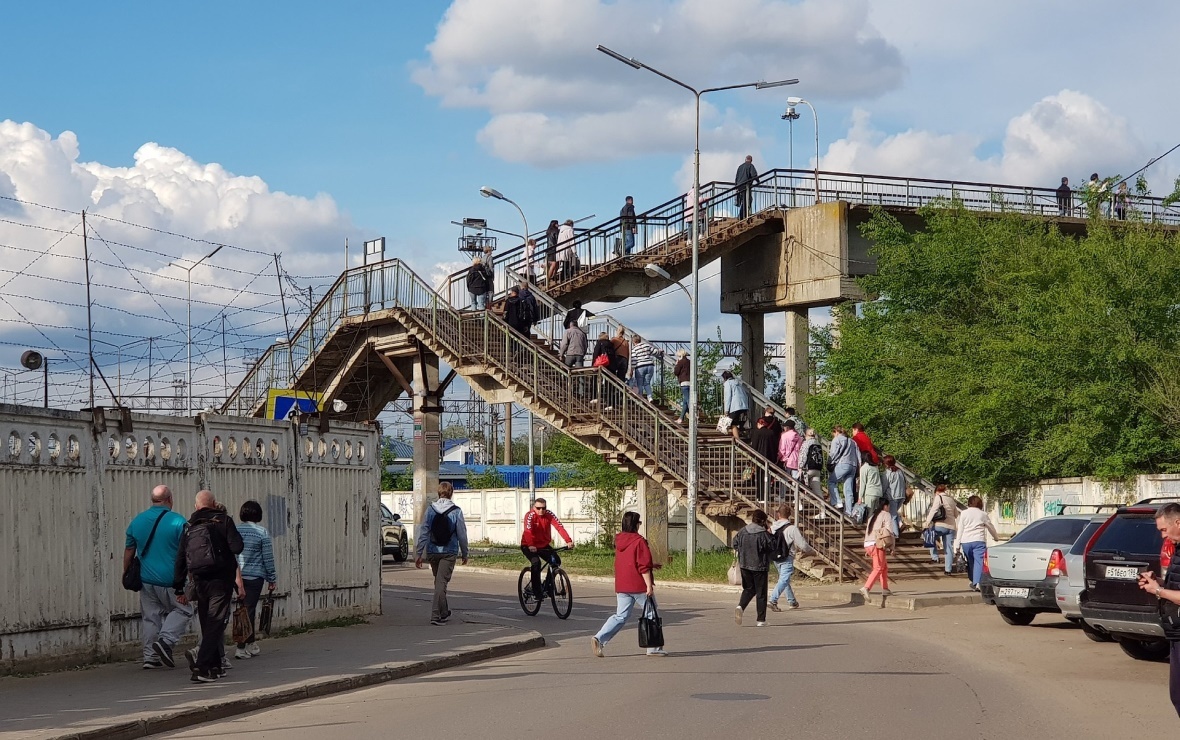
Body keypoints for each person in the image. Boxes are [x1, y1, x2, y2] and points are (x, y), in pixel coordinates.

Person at [173, 490, 244, 683]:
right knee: (216, 623)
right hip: (221, 580)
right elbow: (237, 547)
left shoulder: (189, 526)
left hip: (199, 581)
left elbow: (180, 558)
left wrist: (179, 587)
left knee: (207, 622)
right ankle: (202, 668)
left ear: (196, 506)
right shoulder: (224, 521)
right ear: (213, 504)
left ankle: (215, 667)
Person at [124, 484, 191, 670]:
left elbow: (129, 549)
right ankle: (166, 641)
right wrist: (191, 577)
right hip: (172, 580)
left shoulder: (137, 521)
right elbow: (187, 552)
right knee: (183, 610)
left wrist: (126, 572)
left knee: (150, 617)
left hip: (146, 580)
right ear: (169, 500)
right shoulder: (178, 521)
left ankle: (150, 657)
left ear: (153, 500)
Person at [591, 511, 667, 657]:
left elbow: (630, 560)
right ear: (635, 524)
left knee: (620, 616)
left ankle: (599, 638)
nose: (640, 525)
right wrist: (649, 585)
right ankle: (654, 648)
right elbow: (642, 566)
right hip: (638, 585)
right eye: (639, 523)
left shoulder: (619, 540)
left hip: (622, 585)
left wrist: (652, 565)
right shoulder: (639, 541)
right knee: (651, 613)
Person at [1135, 503, 1180, 717]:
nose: (1163, 536)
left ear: (1178, 523)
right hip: (1175, 632)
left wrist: (1158, 590)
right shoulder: (1178, 550)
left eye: (1164, 530)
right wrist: (1158, 582)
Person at [415, 482, 469, 625]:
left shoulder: (430, 510)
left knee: (439, 582)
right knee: (441, 583)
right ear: (451, 493)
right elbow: (462, 534)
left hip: (433, 551)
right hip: (449, 552)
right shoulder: (456, 511)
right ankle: (435, 615)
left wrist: (419, 553)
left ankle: (444, 611)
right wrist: (465, 553)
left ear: (438, 493)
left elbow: (424, 532)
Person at [234, 500, 277, 659]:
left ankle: (250, 644)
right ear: (258, 514)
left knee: (244, 608)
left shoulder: (235, 530)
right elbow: (268, 557)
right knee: (248, 610)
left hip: (237, 577)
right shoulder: (261, 532)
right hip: (255, 577)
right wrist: (272, 577)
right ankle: (241, 647)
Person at [520, 497, 574, 602]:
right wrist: (531, 545)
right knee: (536, 563)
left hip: (543, 545)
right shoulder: (530, 515)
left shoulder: (549, 514)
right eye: (538, 508)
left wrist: (568, 541)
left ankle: (548, 585)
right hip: (528, 545)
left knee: (556, 561)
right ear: (534, 507)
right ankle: (537, 592)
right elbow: (528, 531)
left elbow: (559, 527)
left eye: (543, 508)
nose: (541, 511)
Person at [768, 504, 814, 612]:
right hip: (787, 557)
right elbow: (802, 545)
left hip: (775, 557)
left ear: (778, 514)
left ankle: (792, 601)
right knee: (784, 579)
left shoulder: (772, 528)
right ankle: (772, 600)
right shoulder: (792, 529)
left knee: (784, 579)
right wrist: (811, 551)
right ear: (789, 515)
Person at [733, 509, 774, 626]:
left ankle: (740, 606)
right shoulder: (763, 534)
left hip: (744, 565)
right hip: (759, 566)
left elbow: (734, 543)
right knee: (761, 593)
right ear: (763, 521)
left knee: (749, 588)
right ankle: (761, 620)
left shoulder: (743, 531)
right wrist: (769, 532)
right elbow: (772, 546)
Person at [957, 495, 998, 591]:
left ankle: (973, 581)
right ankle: (977, 583)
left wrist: (957, 545)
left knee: (971, 562)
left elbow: (960, 529)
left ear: (969, 503)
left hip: (966, 541)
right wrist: (995, 537)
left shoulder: (963, 513)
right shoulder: (982, 514)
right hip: (979, 540)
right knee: (979, 562)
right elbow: (990, 526)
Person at [860, 499, 895, 597]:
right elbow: (889, 531)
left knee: (884, 567)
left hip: (868, 543)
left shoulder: (872, 516)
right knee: (878, 567)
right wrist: (892, 546)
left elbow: (868, 531)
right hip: (878, 543)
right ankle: (866, 588)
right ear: (885, 506)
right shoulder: (886, 514)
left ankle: (885, 588)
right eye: (888, 506)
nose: (889, 508)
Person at [924, 484, 959, 575]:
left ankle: (935, 557)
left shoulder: (938, 497)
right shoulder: (951, 499)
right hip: (951, 527)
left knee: (929, 537)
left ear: (937, 491)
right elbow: (956, 515)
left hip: (940, 525)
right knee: (949, 548)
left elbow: (933, 510)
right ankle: (948, 570)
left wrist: (927, 522)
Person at [827, 425, 859, 512]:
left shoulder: (837, 439)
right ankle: (849, 511)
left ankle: (838, 501)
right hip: (853, 466)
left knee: (831, 481)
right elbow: (858, 455)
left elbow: (833, 453)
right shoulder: (852, 441)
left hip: (843, 464)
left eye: (833, 433)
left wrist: (829, 463)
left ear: (836, 432)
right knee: (848, 489)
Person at [749, 417, 779, 503]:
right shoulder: (771, 433)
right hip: (769, 458)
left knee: (759, 478)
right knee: (767, 478)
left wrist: (751, 457)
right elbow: (774, 446)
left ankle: (760, 496)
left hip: (759, 459)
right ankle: (766, 496)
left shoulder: (757, 433)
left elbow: (754, 446)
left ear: (760, 424)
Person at [882, 455, 908, 534]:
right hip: (902, 495)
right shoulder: (900, 471)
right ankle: (900, 524)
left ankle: (896, 534)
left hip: (892, 496)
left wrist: (882, 495)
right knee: (894, 512)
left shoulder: (888, 473)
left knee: (892, 516)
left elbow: (884, 485)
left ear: (886, 463)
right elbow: (905, 482)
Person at [721, 370, 750, 440]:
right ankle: (739, 435)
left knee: (731, 423)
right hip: (743, 405)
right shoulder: (738, 383)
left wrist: (726, 410)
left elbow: (728, 397)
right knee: (736, 422)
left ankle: (737, 440)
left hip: (735, 406)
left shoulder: (728, 383)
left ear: (724, 378)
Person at [630, 334, 656, 402]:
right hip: (650, 365)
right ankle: (650, 397)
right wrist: (660, 351)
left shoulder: (634, 349)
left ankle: (640, 398)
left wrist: (632, 369)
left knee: (640, 383)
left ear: (633, 341)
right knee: (647, 383)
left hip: (640, 367)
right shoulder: (646, 345)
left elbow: (634, 359)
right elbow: (654, 351)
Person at [799, 428, 824, 498]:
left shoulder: (806, 443)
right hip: (817, 469)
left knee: (798, 486)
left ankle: (799, 504)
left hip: (808, 469)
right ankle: (823, 507)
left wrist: (800, 467)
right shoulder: (818, 443)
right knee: (817, 490)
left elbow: (803, 456)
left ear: (806, 435)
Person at [734, 155, 758, 219]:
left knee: (744, 200)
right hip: (746, 186)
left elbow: (736, 177)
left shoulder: (740, 167)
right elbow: (754, 175)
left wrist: (736, 186)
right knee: (748, 200)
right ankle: (742, 215)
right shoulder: (750, 165)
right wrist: (758, 182)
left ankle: (742, 215)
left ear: (745, 159)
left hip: (739, 186)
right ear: (751, 160)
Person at [673, 349, 691, 424]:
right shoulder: (689, 362)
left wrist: (676, 364)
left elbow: (676, 372)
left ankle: (694, 414)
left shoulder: (680, 362)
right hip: (691, 382)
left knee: (688, 399)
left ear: (680, 355)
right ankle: (680, 418)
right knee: (685, 402)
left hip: (684, 382)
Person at [545, 219, 560, 284]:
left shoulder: (548, 231)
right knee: (554, 264)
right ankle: (549, 278)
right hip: (554, 249)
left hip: (549, 248)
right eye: (557, 224)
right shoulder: (555, 231)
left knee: (553, 264)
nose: (558, 225)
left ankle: (551, 277)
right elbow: (557, 240)